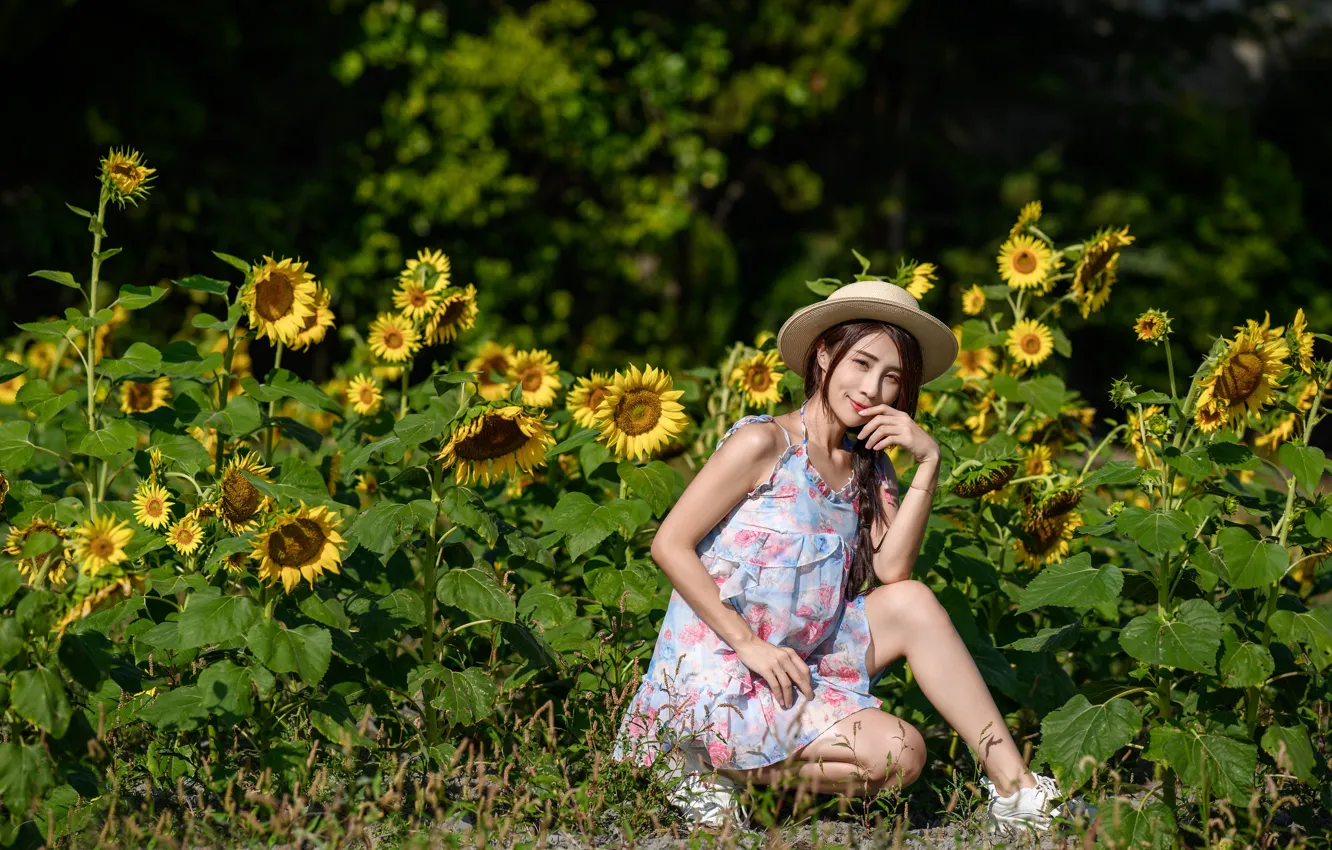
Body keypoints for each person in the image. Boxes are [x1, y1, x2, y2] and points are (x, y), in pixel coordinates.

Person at [608, 278, 1065, 836]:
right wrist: (749, 644)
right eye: (862, 363)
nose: (873, 388)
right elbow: (668, 544)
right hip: (723, 668)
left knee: (913, 609)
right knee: (902, 750)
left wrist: (927, 463)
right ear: (824, 355)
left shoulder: (869, 469)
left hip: (804, 663)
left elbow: (894, 575)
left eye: (891, 377)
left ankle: (1017, 791)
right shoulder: (763, 444)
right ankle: (690, 758)